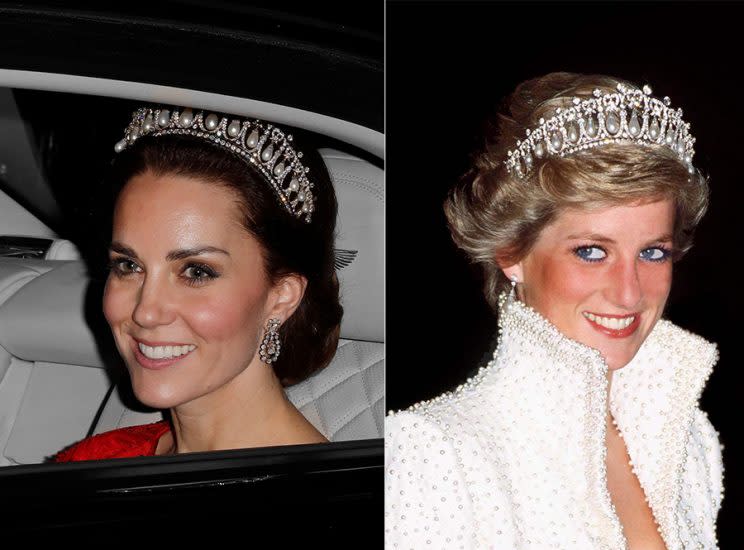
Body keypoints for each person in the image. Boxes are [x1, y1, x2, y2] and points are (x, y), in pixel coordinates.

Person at [385, 73, 723, 549]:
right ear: (511, 253)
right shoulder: (433, 454)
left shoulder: (691, 438)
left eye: (652, 252)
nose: (629, 294)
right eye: (591, 251)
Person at [54, 106, 342, 461]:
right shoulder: (94, 461)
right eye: (128, 265)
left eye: (196, 272)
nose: (146, 311)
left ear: (281, 297)